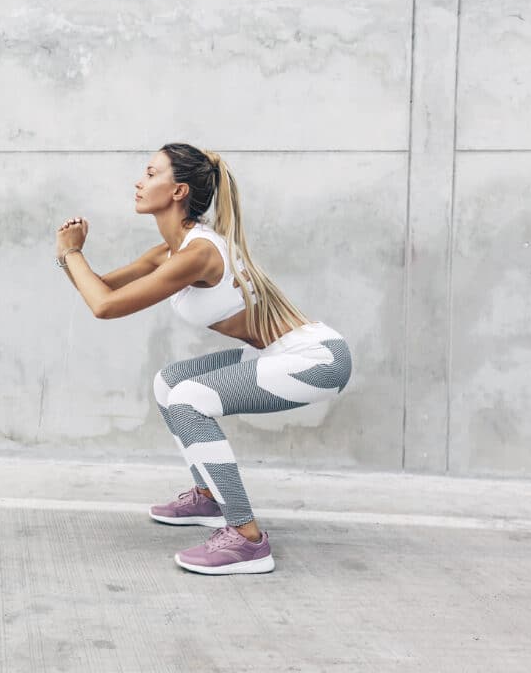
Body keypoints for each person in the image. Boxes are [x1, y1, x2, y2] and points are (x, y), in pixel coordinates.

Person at [55, 143, 353, 575]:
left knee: (190, 399)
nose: (139, 181)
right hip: (279, 353)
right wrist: (69, 254)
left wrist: (70, 253)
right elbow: (99, 288)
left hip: (319, 358)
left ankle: (247, 538)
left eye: (151, 173)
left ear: (177, 191)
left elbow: (105, 307)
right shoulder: (171, 251)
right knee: (170, 384)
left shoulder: (199, 253)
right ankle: (210, 497)